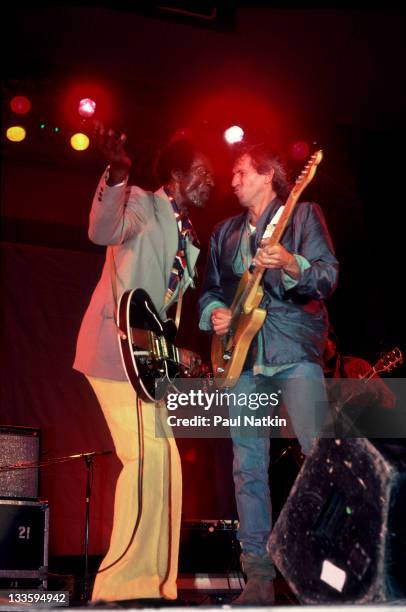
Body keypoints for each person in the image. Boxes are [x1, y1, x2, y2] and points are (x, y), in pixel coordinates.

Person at [73, 123, 214, 603]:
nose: (210, 180)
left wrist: (180, 354)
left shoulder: (187, 235)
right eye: (202, 171)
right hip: (115, 352)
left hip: (146, 362)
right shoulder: (143, 203)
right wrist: (116, 173)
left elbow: (156, 316)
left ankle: (156, 583)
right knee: (145, 458)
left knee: (167, 464)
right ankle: (120, 585)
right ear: (176, 174)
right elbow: (102, 229)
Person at [198, 143, 339, 605]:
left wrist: (292, 263)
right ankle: (258, 576)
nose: (232, 180)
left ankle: (332, 562)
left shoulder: (302, 214)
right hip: (242, 359)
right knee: (247, 468)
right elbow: (211, 288)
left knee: (319, 456)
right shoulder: (224, 232)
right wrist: (217, 311)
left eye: (240, 172)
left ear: (268, 175)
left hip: (293, 349)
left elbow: (327, 276)